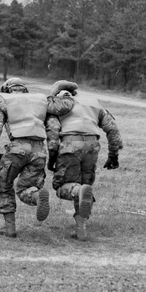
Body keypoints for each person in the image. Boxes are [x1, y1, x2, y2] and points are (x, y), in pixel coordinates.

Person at [0, 77, 77, 238]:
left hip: (17, 149)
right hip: (39, 151)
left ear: (6, 89)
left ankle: (9, 227)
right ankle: (38, 197)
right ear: (24, 89)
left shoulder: (5, 101)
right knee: (25, 188)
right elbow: (57, 119)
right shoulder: (40, 100)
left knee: (4, 186)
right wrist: (66, 95)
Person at [46, 82, 123, 240]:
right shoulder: (93, 103)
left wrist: (52, 157)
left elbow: (53, 132)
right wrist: (113, 155)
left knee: (63, 187)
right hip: (92, 145)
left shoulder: (56, 105)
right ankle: (81, 228)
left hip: (69, 144)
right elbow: (112, 128)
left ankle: (78, 192)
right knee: (84, 185)